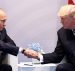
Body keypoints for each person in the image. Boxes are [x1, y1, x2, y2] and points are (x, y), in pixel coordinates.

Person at [23, 5, 75, 71]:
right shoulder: (62, 33)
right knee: (61, 68)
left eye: (63, 18)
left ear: (73, 18)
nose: (60, 21)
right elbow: (57, 55)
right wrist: (37, 56)